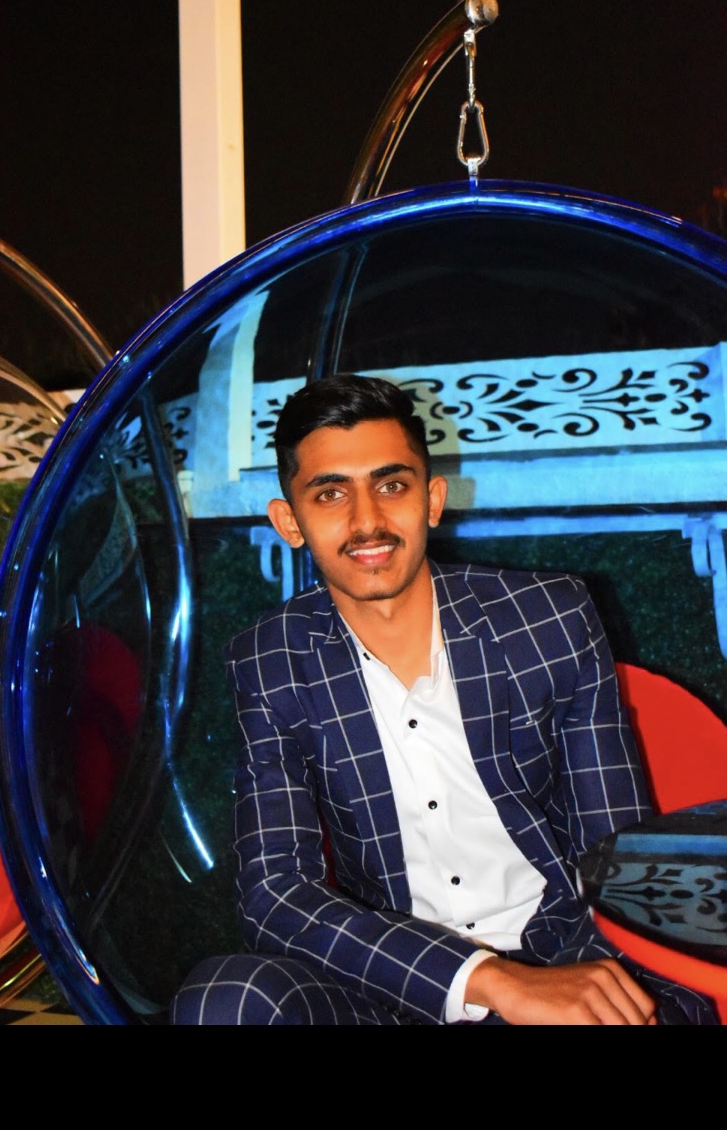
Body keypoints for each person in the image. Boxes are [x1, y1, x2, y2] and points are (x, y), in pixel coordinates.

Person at [171, 373, 717, 1026]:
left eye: (390, 485)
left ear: (432, 499)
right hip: (397, 983)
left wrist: (586, 986)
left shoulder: (548, 618)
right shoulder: (271, 660)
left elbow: (617, 847)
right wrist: (488, 981)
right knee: (226, 999)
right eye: (331, 494)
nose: (367, 521)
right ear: (290, 521)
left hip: (564, 958)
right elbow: (276, 893)